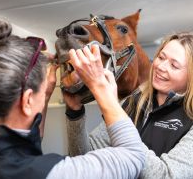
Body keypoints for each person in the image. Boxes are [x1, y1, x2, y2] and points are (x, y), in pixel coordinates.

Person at [0, 18, 145, 179]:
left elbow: (24, 142)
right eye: (42, 89)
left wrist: (45, 94)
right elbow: (133, 155)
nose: (46, 91)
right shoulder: (50, 173)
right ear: (27, 100)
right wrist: (101, 88)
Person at [65, 32, 193, 179]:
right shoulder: (134, 101)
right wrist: (75, 113)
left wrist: (112, 107)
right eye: (161, 57)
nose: (161, 67)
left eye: (174, 65)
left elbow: (167, 176)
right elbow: (84, 155)